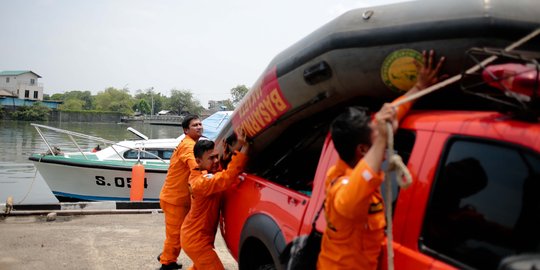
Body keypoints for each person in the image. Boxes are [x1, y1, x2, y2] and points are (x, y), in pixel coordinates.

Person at [317, 50, 445, 270]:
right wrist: (381, 142)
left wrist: (418, 88)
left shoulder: (356, 151)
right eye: (378, 139)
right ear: (363, 149)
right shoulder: (341, 186)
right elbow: (351, 197)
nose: (385, 142)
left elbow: (386, 119)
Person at [180, 130, 249, 270]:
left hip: (196, 238)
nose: (216, 161)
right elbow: (227, 177)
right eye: (211, 158)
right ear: (198, 161)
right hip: (197, 242)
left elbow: (219, 173)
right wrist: (245, 148)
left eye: (217, 156)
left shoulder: (202, 172)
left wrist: (231, 151)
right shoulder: (201, 183)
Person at [158, 115, 203, 270]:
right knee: (175, 235)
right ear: (186, 130)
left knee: (178, 233)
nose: (199, 127)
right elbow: (195, 166)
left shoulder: (192, 144)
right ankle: (167, 263)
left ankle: (167, 255)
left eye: (200, 124)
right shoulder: (188, 146)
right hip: (175, 199)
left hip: (178, 198)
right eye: (194, 125)